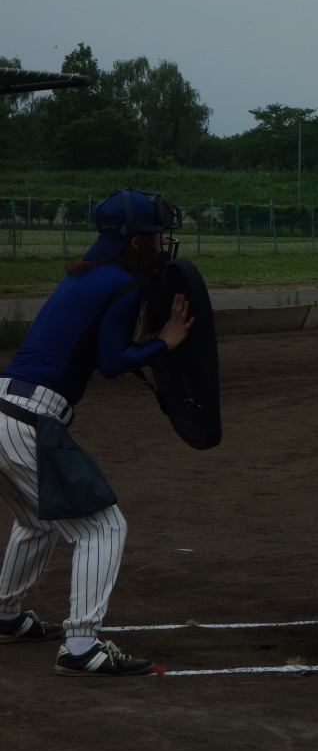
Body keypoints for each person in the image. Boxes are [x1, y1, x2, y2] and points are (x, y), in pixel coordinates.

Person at [0, 188, 193, 675]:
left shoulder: (83, 274)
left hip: (6, 406)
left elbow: (97, 345)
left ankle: (5, 616)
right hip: (28, 419)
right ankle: (82, 648)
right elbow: (110, 363)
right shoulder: (123, 285)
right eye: (155, 235)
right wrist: (165, 342)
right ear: (135, 242)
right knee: (104, 527)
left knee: (38, 519)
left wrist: (146, 340)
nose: (161, 242)